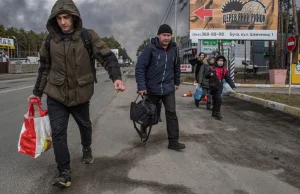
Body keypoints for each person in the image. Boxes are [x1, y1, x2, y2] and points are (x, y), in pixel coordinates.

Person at [27, 0, 125, 188]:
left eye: (66, 17)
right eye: (59, 18)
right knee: (58, 133)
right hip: (56, 94)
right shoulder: (49, 40)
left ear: (74, 17)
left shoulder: (88, 37)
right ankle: (64, 172)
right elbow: (44, 68)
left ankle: (86, 146)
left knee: (85, 125)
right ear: (54, 19)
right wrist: (37, 93)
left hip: (80, 94)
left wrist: (116, 78)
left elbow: (107, 57)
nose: (63, 22)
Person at [135, 24, 185, 150]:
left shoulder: (174, 49)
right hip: (152, 88)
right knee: (150, 114)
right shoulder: (150, 48)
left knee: (171, 113)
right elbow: (140, 68)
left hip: (168, 88)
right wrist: (142, 86)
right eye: (164, 35)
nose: (166, 38)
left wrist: (177, 82)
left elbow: (176, 67)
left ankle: (173, 142)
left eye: (168, 35)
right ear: (158, 35)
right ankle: (144, 127)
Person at [205, 55, 235, 120]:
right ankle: (214, 112)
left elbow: (228, 78)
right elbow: (206, 75)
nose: (220, 62)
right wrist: (210, 74)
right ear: (216, 61)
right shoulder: (212, 68)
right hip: (213, 86)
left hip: (219, 86)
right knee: (215, 99)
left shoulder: (224, 70)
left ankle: (217, 113)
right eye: (219, 61)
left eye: (222, 61)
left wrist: (232, 85)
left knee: (219, 99)